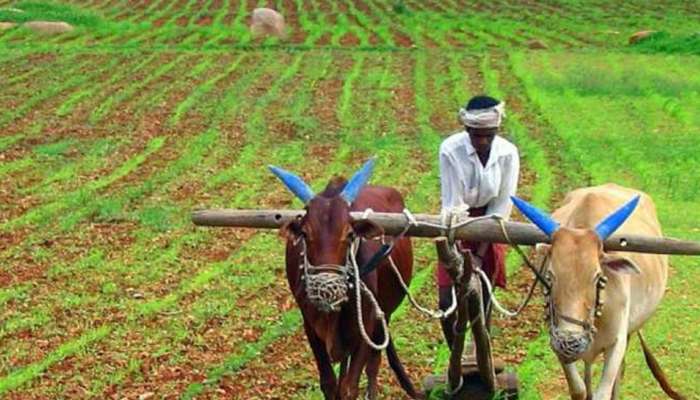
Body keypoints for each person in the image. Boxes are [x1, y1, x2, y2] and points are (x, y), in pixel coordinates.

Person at [436, 95, 520, 350]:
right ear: (467, 129)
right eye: (476, 135)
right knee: (446, 300)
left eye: (488, 135)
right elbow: (453, 204)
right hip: (456, 225)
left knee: (481, 294)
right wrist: (457, 257)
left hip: (490, 225)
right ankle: (456, 355)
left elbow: (502, 206)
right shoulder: (450, 149)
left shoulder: (507, 153)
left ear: (496, 131)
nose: (482, 141)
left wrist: (481, 255)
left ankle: (482, 352)